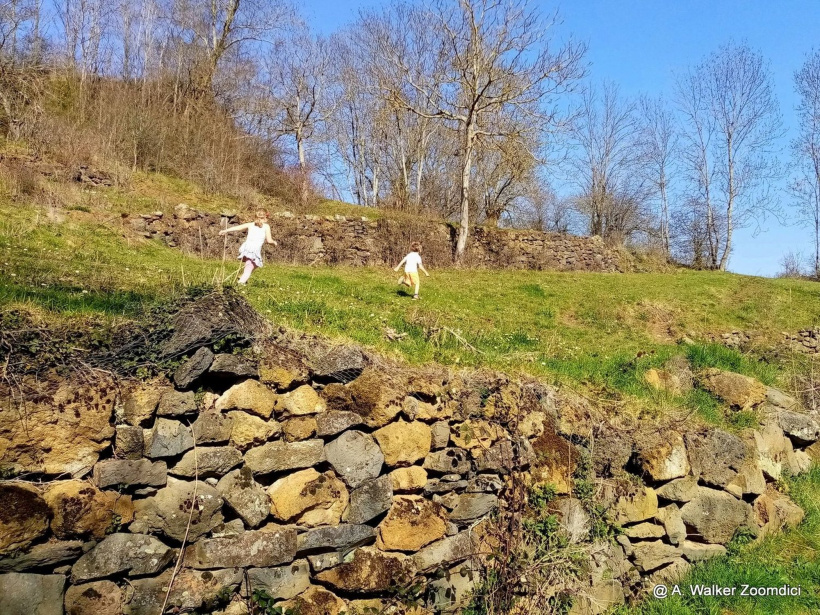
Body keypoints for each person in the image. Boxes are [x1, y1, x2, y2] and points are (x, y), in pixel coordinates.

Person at [219, 209, 277, 285]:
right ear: (266, 217)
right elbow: (269, 240)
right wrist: (274, 243)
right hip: (254, 250)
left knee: (256, 264)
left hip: (247, 248)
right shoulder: (266, 226)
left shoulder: (250, 224)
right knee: (249, 269)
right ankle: (240, 283)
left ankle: (242, 276)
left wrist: (225, 230)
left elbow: (238, 227)